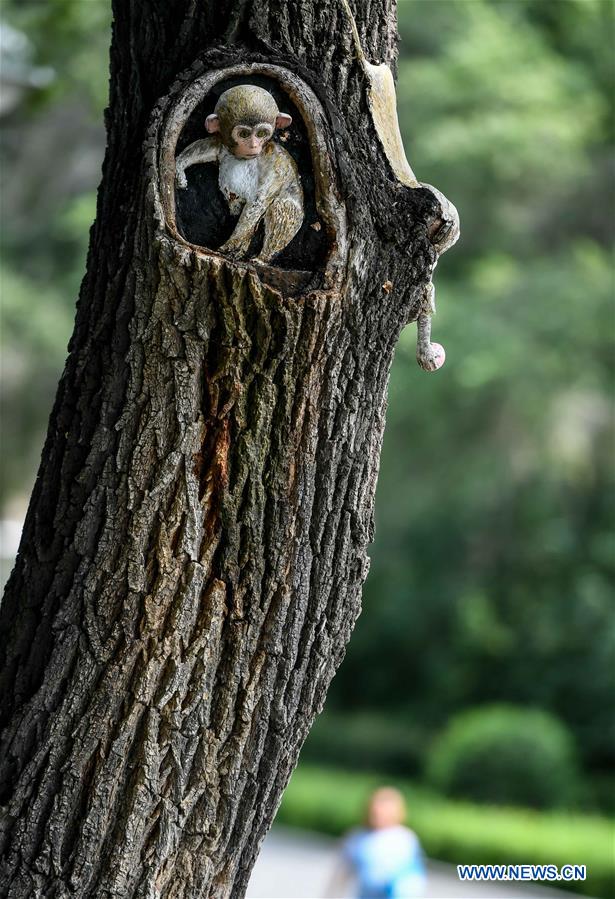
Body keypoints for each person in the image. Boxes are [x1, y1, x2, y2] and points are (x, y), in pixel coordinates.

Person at [328, 787, 427, 898]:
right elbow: (342, 873)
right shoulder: (357, 837)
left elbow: (414, 877)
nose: (379, 811)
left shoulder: (405, 839)